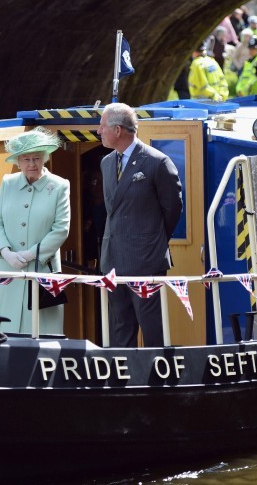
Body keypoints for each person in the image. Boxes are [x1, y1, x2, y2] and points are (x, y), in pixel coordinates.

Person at [96, 103, 183, 348]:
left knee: (151, 325)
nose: (98, 131)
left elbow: (173, 208)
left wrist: (151, 241)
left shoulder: (157, 162)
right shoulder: (106, 163)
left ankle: (158, 379)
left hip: (145, 260)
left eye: (102, 126)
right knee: (121, 326)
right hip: (113, 259)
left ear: (118, 130)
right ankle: (124, 380)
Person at [0, 127, 71, 335]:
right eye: (25, 159)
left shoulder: (59, 186)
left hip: (42, 271)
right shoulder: (8, 183)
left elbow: (61, 229)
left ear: (45, 158)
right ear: (18, 161)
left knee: (42, 336)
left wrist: (31, 254)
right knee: (4, 335)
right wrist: (6, 253)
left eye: (36, 158)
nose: (31, 164)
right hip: (9, 271)